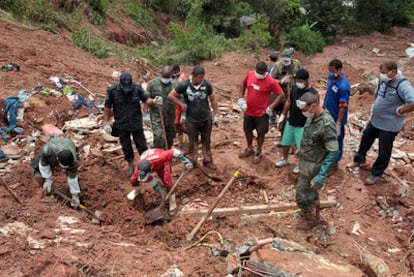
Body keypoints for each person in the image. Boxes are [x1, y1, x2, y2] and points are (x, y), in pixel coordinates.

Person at [348, 61, 414, 185]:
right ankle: (359, 160)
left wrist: (401, 110)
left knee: (384, 150)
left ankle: (376, 173)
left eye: (384, 73)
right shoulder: (384, 81)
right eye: (381, 72)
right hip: (376, 120)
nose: (381, 75)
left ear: (393, 72)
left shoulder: (402, 85)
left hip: (389, 125)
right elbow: (378, 94)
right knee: (366, 139)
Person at [103, 72, 161, 176]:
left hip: (136, 122)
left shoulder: (137, 88)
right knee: (126, 145)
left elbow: (146, 100)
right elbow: (107, 106)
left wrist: (155, 101)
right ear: (120, 83)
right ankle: (130, 164)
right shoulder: (112, 90)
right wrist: (106, 122)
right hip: (121, 123)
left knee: (141, 144)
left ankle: (146, 164)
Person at [295, 92, 338, 231]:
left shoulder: (326, 124)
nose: (303, 113)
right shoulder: (312, 117)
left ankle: (310, 219)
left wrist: (322, 174)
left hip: (315, 165)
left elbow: (333, 151)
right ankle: (314, 210)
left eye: (304, 110)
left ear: (313, 106)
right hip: (306, 161)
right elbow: (309, 136)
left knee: (302, 194)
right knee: (310, 192)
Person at [168, 65, 220, 170]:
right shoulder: (185, 85)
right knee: (193, 141)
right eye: (199, 77)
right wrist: (181, 104)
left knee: (206, 140)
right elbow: (171, 95)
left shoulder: (206, 85)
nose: (201, 80)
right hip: (192, 119)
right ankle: (193, 161)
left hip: (206, 118)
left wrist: (216, 112)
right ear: (193, 76)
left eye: (202, 77)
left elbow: (212, 99)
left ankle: (207, 160)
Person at [238, 61, 284, 164]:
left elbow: (281, 95)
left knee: (261, 132)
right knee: (247, 130)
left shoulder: (271, 81)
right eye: (258, 72)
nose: (260, 75)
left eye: (262, 73)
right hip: (248, 110)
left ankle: (258, 151)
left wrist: (271, 107)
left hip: (262, 113)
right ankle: (249, 148)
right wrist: (241, 98)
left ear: (265, 72)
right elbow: (243, 84)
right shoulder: (250, 74)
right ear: (255, 70)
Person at [275, 69, 319, 173]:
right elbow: (289, 102)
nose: (299, 83)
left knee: (302, 147)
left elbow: (316, 109)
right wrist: (283, 115)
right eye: (297, 81)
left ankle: (301, 164)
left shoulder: (313, 93)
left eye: (301, 81)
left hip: (303, 124)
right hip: (292, 121)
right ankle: (284, 159)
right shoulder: (294, 88)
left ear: (307, 80)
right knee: (285, 142)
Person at [32, 138, 81, 208]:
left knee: (74, 174)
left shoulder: (73, 161)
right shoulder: (46, 151)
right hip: (51, 150)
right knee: (37, 175)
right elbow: (44, 164)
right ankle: (48, 193)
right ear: (57, 159)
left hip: (68, 143)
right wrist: (47, 181)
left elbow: (72, 177)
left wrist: (75, 195)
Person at [323, 59, 350, 172]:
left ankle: (334, 164)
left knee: (336, 141)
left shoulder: (343, 87)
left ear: (339, 70)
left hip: (336, 118)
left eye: (333, 70)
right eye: (330, 70)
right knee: (326, 138)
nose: (331, 72)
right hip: (327, 114)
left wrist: (338, 123)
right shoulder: (331, 78)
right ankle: (327, 158)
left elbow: (343, 106)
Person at [269, 48, 303, 126]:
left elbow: (303, 75)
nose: (285, 62)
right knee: (283, 112)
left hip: (295, 91)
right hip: (282, 93)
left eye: (287, 61)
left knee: (296, 111)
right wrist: (281, 81)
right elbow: (271, 80)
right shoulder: (278, 66)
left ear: (291, 58)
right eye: (284, 60)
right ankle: (283, 131)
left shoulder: (297, 64)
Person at [146, 66, 177, 149]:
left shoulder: (174, 84)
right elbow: (146, 99)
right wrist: (154, 100)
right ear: (160, 74)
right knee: (158, 135)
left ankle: (167, 152)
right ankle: (157, 152)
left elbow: (179, 98)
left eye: (168, 77)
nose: (166, 79)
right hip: (157, 114)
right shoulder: (152, 84)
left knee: (170, 136)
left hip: (170, 114)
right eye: (164, 77)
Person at [171, 63, 189, 136]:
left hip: (181, 104)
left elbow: (183, 95)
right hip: (178, 104)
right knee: (177, 123)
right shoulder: (177, 78)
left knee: (180, 123)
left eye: (172, 71)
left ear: (176, 70)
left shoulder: (181, 79)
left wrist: (183, 111)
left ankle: (192, 137)